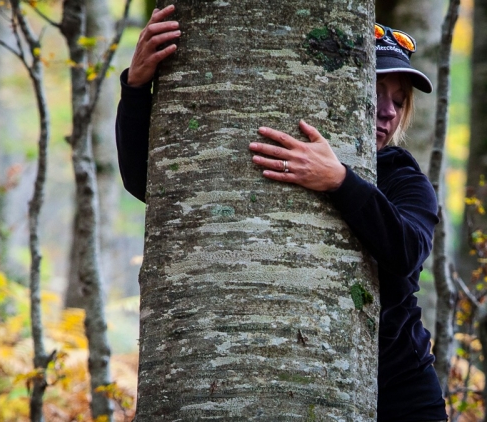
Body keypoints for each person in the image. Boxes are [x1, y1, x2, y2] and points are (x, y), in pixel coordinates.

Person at [115, 5, 447, 422]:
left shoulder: (403, 178)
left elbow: (408, 251)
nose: (388, 111)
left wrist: (340, 181)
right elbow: (148, 182)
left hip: (403, 396)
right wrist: (136, 88)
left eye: (398, 101)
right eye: (376, 91)